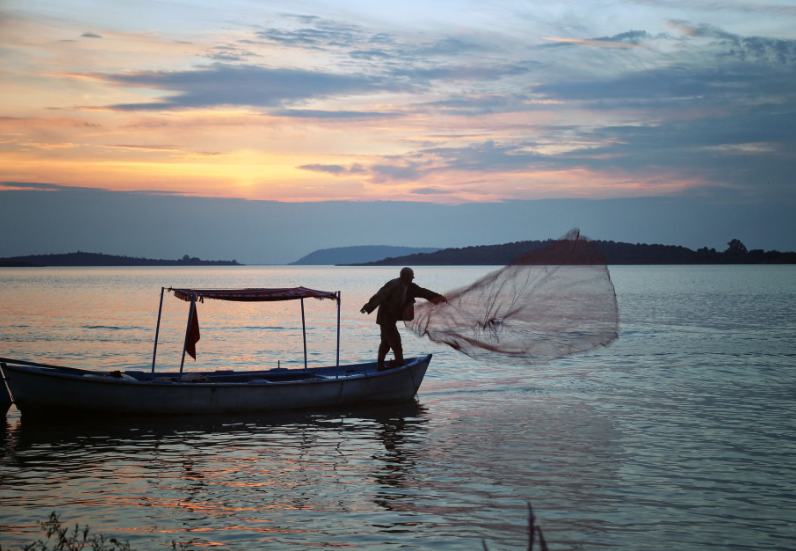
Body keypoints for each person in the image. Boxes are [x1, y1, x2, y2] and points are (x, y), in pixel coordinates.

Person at [360, 267, 446, 371]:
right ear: (404, 276)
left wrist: (438, 297)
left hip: (392, 317)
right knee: (395, 341)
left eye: (412, 277)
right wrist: (368, 306)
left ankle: (380, 365)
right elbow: (380, 295)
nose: (412, 278)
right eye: (410, 276)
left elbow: (423, 292)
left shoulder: (410, 287)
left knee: (386, 343)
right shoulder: (394, 284)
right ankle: (400, 364)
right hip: (385, 317)